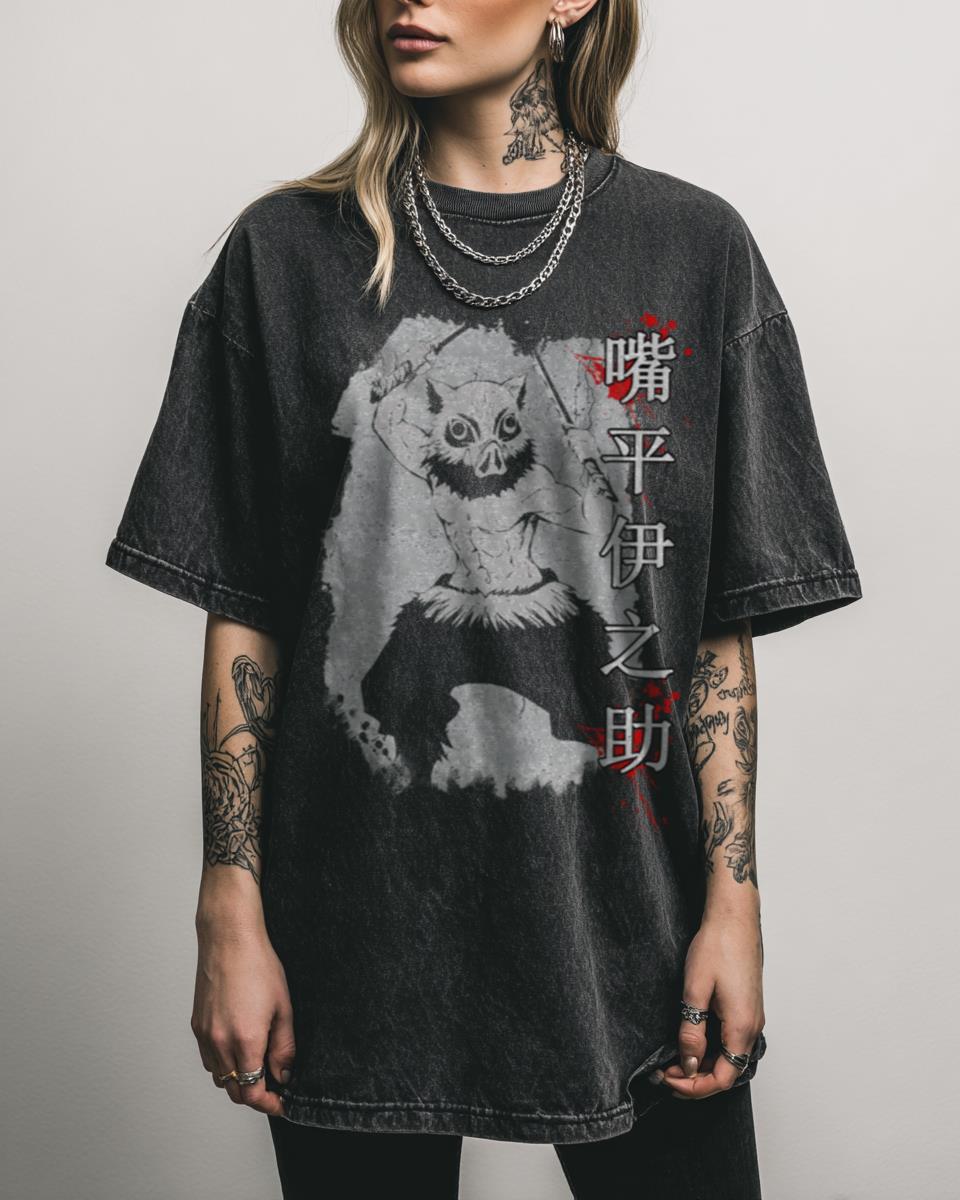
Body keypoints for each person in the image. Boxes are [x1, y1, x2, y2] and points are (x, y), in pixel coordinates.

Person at [104, 1, 863, 1196]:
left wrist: (735, 901)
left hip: (632, 923)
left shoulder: (694, 250)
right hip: (353, 932)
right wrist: (229, 905)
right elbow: (245, 609)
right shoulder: (284, 255)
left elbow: (712, 631)